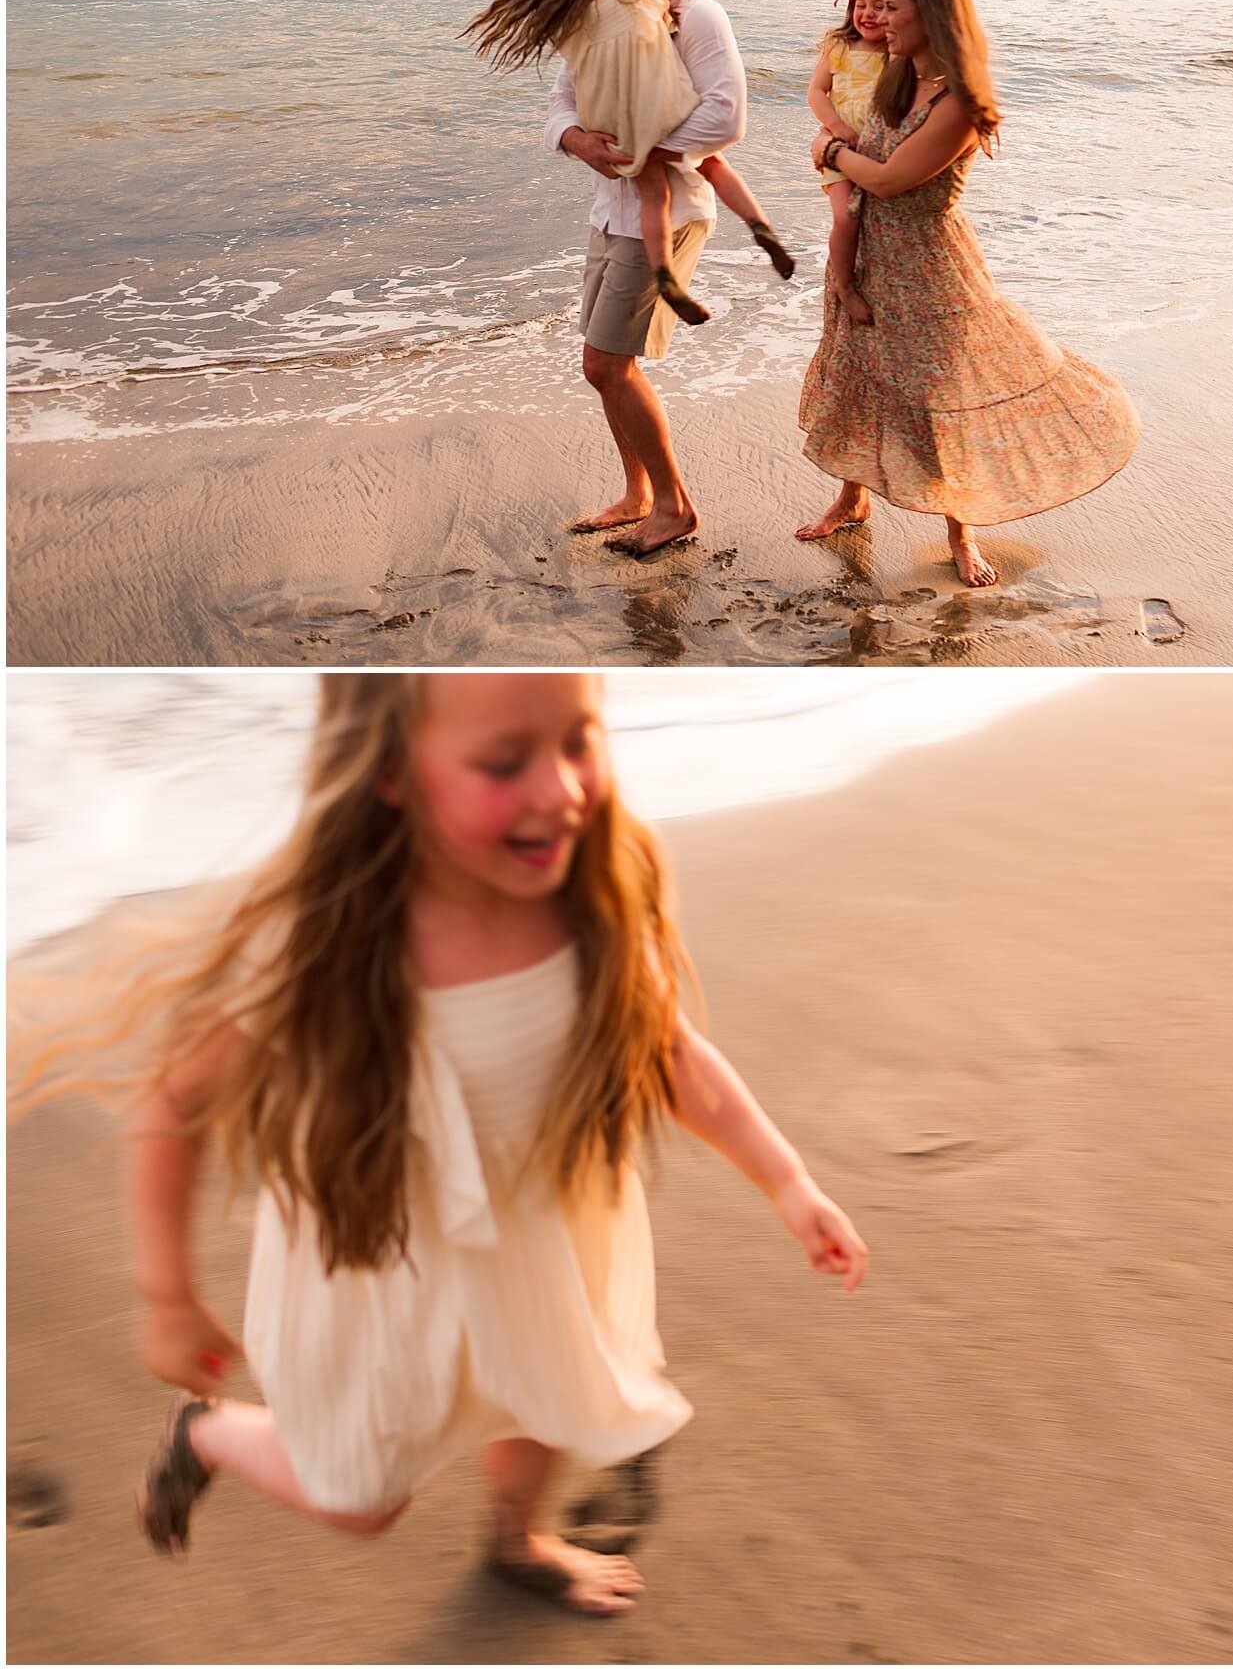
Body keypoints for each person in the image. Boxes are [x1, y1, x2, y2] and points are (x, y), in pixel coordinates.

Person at [10, 673, 867, 1617]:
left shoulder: (592, 903)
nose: (560, 790)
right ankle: (208, 1434)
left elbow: (669, 1053)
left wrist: (787, 1182)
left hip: (548, 1231)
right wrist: (167, 1296)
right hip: (380, 1257)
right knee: (359, 1497)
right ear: (391, 774)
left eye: (579, 740)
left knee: (546, 1393)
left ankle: (517, 1538)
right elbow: (179, 1102)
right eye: (505, 763)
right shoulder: (326, 940)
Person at [799, 0, 1140, 587]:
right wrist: (844, 268)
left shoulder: (959, 102)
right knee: (860, 376)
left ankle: (963, 531)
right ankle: (852, 499)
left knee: (940, 400)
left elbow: (891, 178)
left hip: (928, 270)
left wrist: (830, 149)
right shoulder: (899, 77)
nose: (881, 21)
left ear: (929, 17)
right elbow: (865, 157)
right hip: (868, 255)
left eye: (894, 8)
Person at [542, 0, 751, 555]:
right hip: (611, 211)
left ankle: (674, 508)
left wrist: (643, 150)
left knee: (608, 365)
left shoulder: (696, 13)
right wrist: (575, 140)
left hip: (670, 210)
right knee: (599, 364)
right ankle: (636, 494)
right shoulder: (601, 14)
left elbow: (727, 114)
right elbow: (561, 97)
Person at [465, 0, 793, 329]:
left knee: (653, 194)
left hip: (614, 116)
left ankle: (664, 276)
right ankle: (760, 226)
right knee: (713, 163)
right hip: (663, 97)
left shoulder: (569, 14)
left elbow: (570, 77)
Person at [806, 0, 888, 324]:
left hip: (880, 151)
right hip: (839, 148)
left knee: (876, 222)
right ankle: (844, 284)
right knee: (846, 216)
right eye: (861, 4)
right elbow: (815, 92)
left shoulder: (895, 52)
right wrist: (836, 128)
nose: (868, 14)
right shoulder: (839, 44)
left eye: (880, 6)